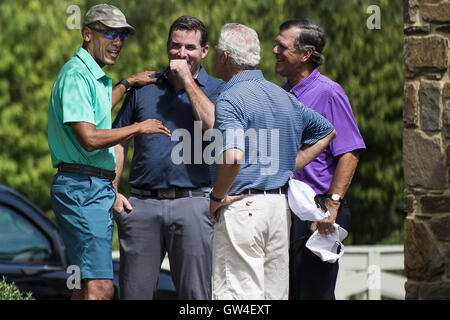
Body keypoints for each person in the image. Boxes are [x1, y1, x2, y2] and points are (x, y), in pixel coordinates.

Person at [48, 4, 170, 300]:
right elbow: (89, 137)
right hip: (82, 190)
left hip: (90, 187)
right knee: (101, 288)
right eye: (111, 33)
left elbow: (96, 110)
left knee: (82, 285)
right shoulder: (76, 75)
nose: (118, 41)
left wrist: (126, 84)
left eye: (123, 36)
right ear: (86, 34)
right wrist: (137, 128)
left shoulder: (91, 75)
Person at [209, 23, 336, 300]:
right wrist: (289, 164)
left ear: (226, 57)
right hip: (279, 209)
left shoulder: (229, 97)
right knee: (273, 296)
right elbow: (327, 132)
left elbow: (232, 156)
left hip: (243, 207)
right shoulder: (284, 96)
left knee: (238, 298)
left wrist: (217, 196)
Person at [112, 16, 223, 300]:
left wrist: (187, 80)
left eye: (190, 47)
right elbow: (119, 141)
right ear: (167, 48)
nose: (182, 53)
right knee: (134, 295)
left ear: (205, 51)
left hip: (195, 203)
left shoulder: (219, 90)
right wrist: (111, 191)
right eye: (176, 46)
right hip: (141, 205)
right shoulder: (143, 87)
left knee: (197, 297)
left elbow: (215, 129)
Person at [272, 19, 366, 300]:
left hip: (318, 212)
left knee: (314, 295)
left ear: (305, 54)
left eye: (282, 46)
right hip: (286, 208)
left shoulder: (329, 92)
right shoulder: (281, 93)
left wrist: (332, 205)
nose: (274, 50)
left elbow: (349, 152)